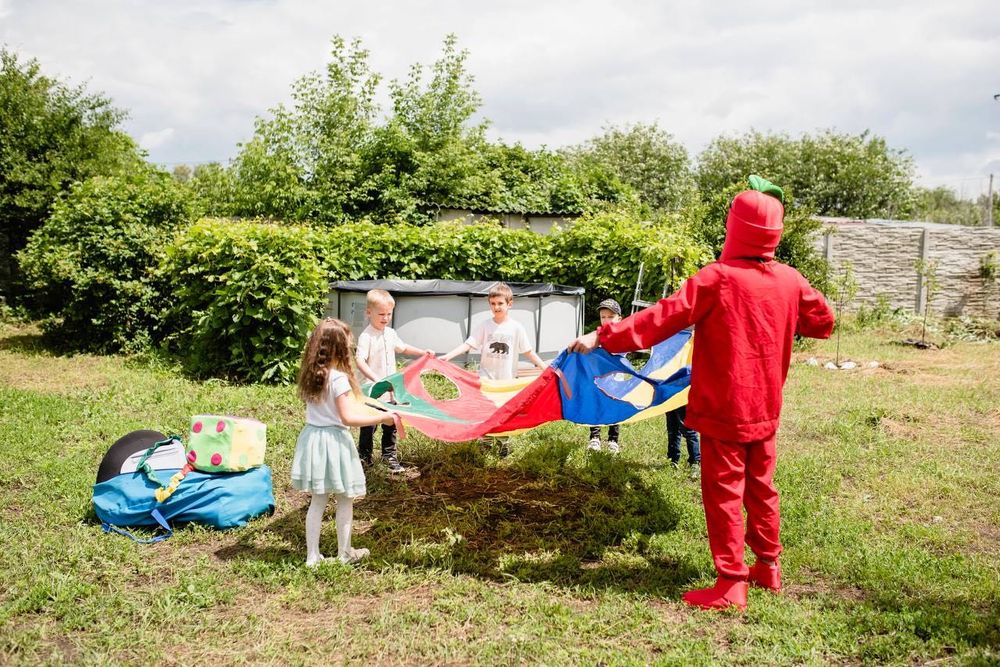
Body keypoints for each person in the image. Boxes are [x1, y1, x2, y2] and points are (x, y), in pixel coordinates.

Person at [568, 176, 834, 611]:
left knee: (724, 491)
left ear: (735, 227)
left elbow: (659, 320)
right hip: (766, 406)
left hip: (722, 408)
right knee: (762, 487)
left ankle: (731, 583)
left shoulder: (716, 278)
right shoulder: (790, 280)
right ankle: (768, 567)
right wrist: (783, 310)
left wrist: (605, 336)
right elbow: (822, 322)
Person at [291, 318, 399, 567]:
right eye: (349, 341)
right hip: (335, 443)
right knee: (344, 499)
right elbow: (348, 417)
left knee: (317, 501)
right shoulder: (338, 378)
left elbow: (345, 407)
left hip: (313, 439)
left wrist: (373, 406)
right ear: (339, 347)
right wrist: (384, 416)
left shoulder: (313, 374)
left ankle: (312, 557)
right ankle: (344, 553)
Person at [442, 281, 546, 456]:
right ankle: (486, 441)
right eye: (493, 304)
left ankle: (503, 441)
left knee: (505, 412)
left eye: (500, 303)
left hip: (507, 381)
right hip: (486, 379)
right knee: (485, 411)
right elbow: (469, 344)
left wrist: (545, 368)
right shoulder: (485, 326)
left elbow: (528, 351)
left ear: (509, 304)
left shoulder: (516, 328)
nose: (496, 307)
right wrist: (448, 356)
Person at [355, 289, 433, 473]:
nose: (385, 318)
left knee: (391, 423)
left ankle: (389, 456)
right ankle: (364, 457)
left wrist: (422, 352)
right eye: (381, 314)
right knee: (369, 425)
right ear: (368, 312)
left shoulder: (390, 333)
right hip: (372, 391)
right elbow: (359, 360)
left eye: (389, 314)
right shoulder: (366, 336)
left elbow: (403, 348)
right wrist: (376, 380)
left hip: (391, 391)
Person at [587, 298, 625, 454]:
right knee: (596, 406)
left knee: (614, 408)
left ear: (619, 319)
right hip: (599, 380)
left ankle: (613, 440)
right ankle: (594, 437)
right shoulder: (596, 337)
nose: (606, 320)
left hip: (616, 382)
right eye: (603, 317)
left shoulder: (624, 336)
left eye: (611, 317)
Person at [666, 405, 701, 475]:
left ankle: (695, 463)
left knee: (688, 431)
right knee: (672, 431)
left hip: (682, 399)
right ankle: (673, 460)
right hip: (669, 399)